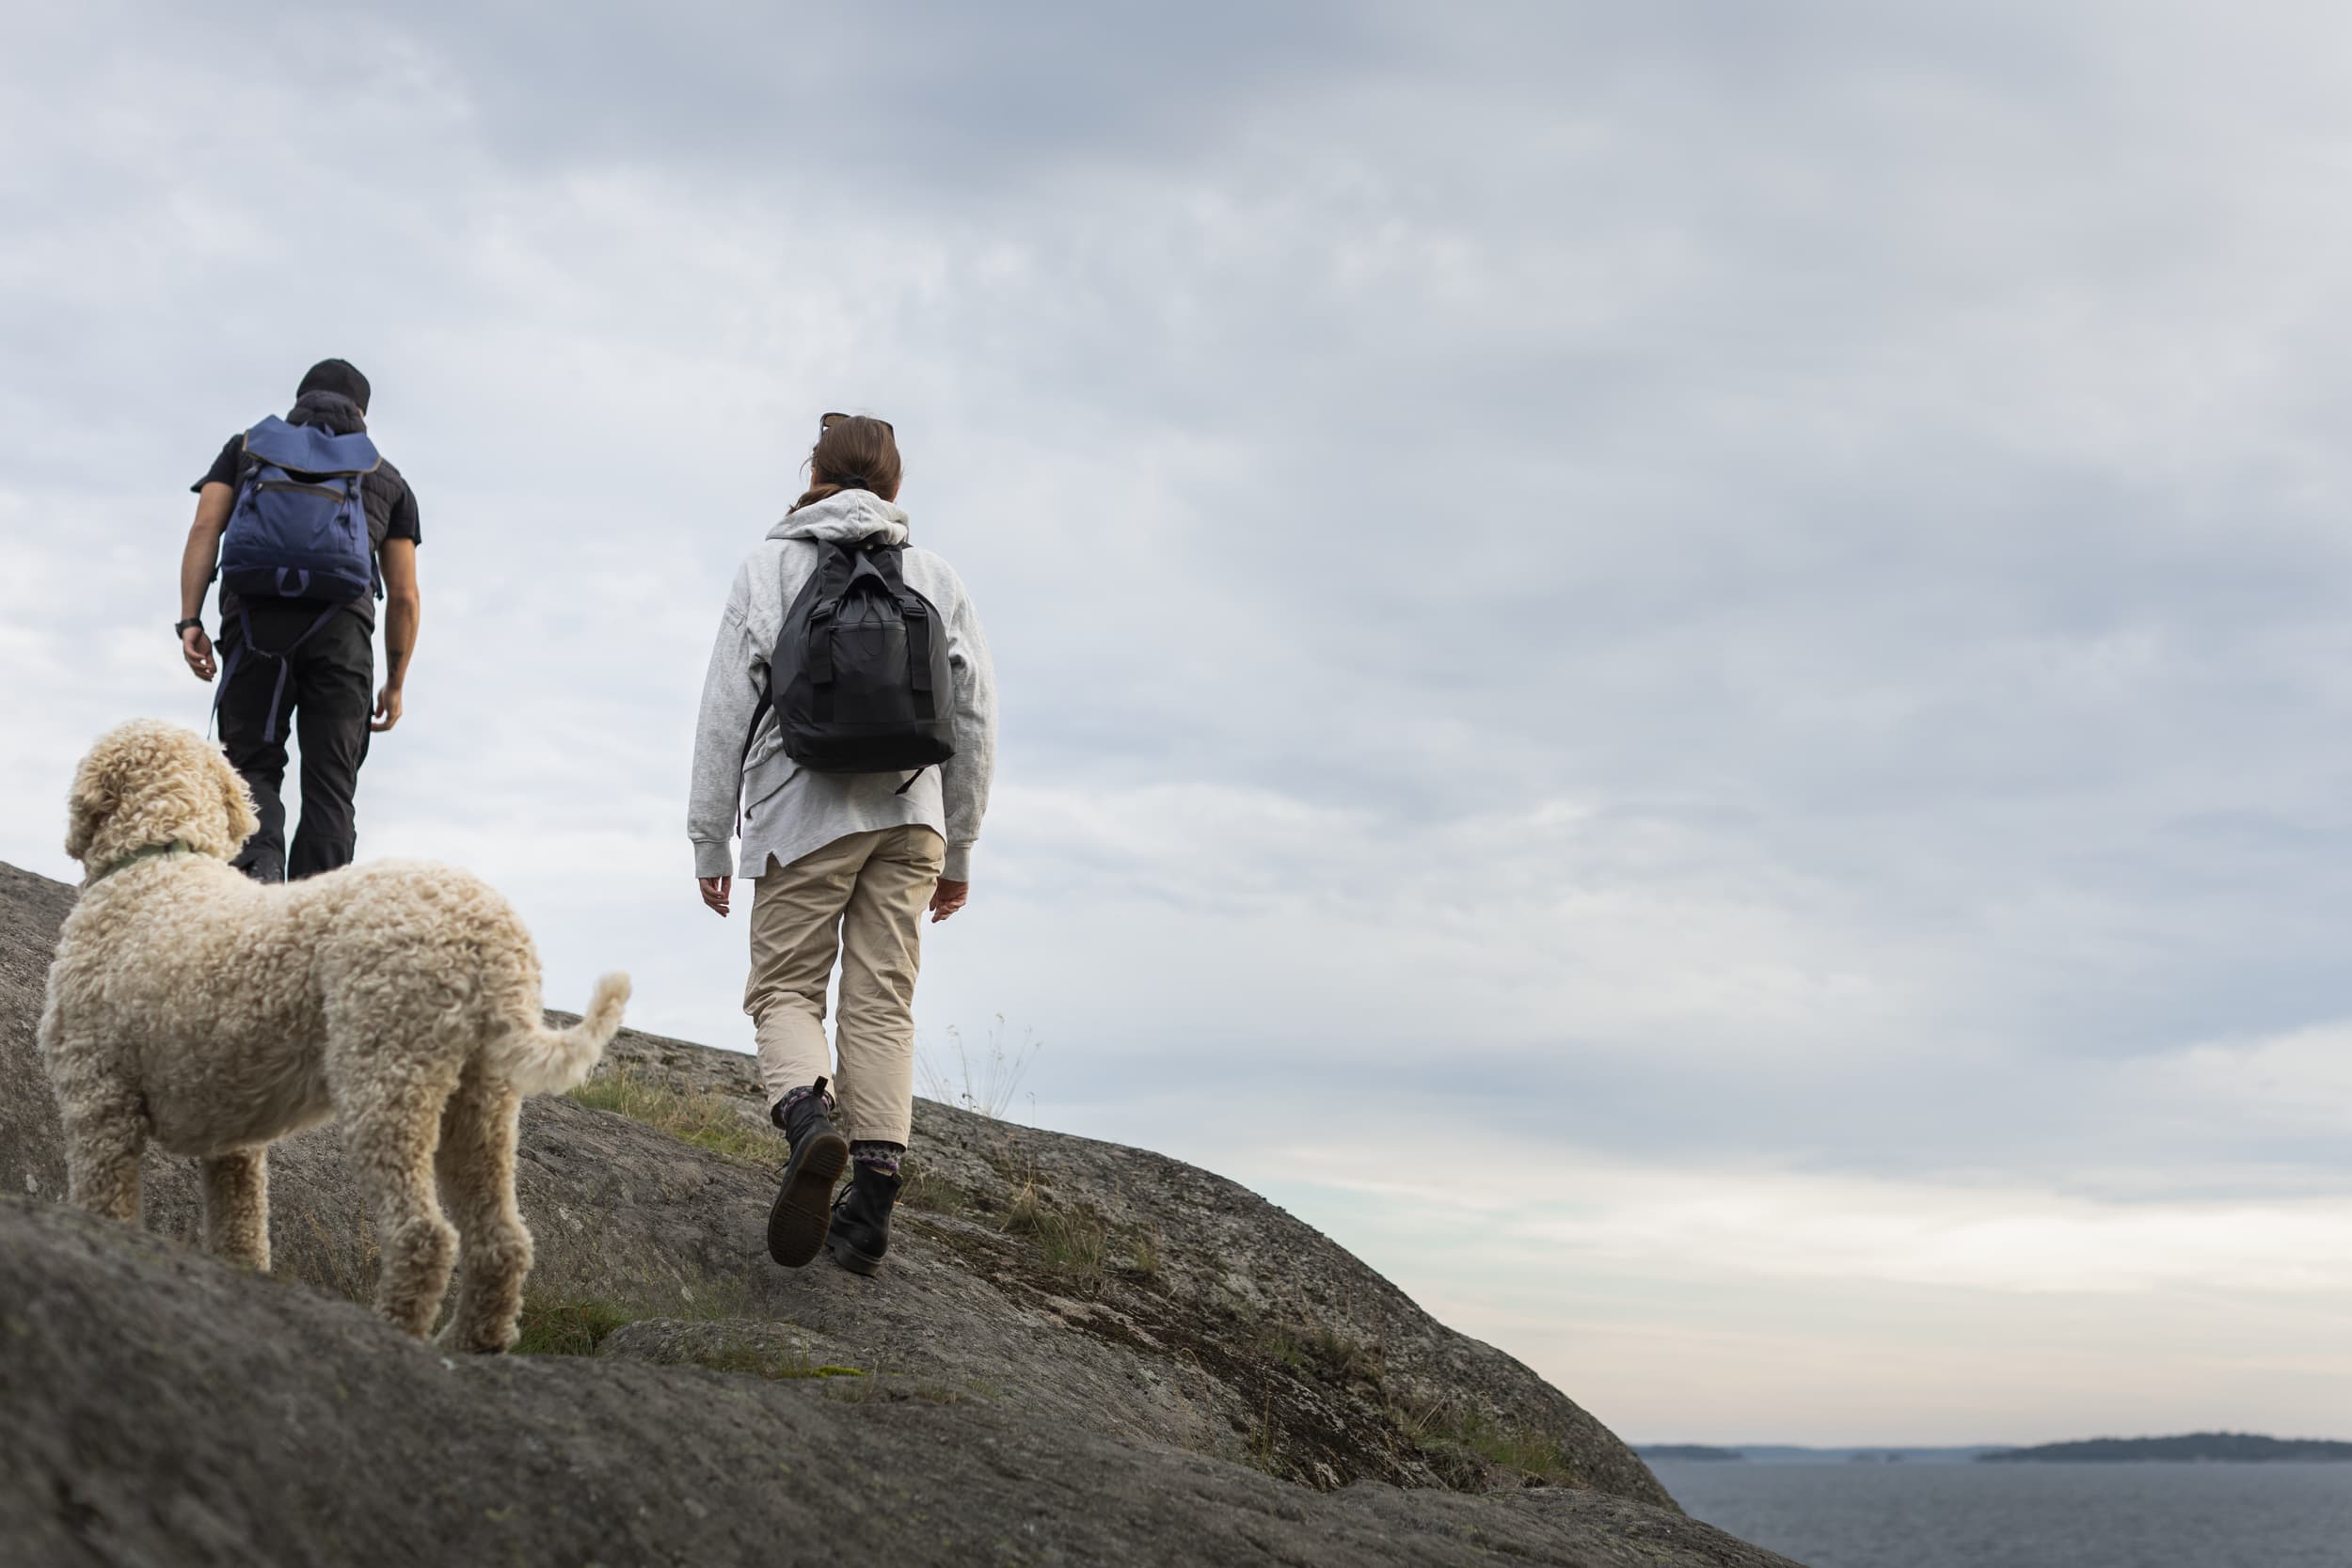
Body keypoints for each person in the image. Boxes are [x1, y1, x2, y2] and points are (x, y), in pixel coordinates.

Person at [688, 412, 996, 1275]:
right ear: (893, 487)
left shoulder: (770, 566)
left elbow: (724, 711)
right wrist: (959, 845)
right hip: (911, 818)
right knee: (883, 1004)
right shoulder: (935, 575)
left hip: (801, 812)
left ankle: (807, 1120)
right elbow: (974, 718)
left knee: (785, 988)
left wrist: (711, 838)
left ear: (814, 472)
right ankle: (870, 1205)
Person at [176, 357, 422, 882]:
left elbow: (204, 530)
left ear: (297, 403)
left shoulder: (246, 449)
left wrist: (189, 619)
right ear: (363, 414)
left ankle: (256, 880)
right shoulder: (384, 474)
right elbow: (403, 595)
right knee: (331, 784)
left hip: (255, 626)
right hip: (342, 638)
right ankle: (316, 916)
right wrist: (396, 681)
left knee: (250, 767)